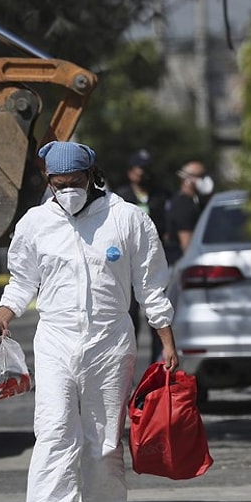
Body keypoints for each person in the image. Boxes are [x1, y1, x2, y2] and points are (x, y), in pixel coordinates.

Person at [0, 140, 178, 502]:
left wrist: (166, 339)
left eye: (76, 182)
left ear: (93, 176)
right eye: (60, 184)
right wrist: (4, 312)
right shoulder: (36, 223)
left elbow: (151, 286)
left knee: (104, 443)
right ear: (48, 182)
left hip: (110, 344)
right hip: (55, 338)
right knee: (54, 431)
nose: (68, 190)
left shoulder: (127, 219)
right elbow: (22, 280)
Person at [113, 149, 170, 358]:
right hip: (127, 265)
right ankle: (128, 363)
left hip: (152, 261)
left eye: (146, 170)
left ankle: (158, 364)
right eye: (139, 170)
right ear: (130, 172)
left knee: (157, 314)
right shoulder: (120, 198)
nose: (143, 174)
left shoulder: (161, 195)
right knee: (129, 318)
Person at [163, 160, 214, 264]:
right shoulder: (183, 204)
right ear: (187, 179)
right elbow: (186, 242)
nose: (204, 180)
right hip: (179, 263)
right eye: (200, 176)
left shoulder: (193, 202)